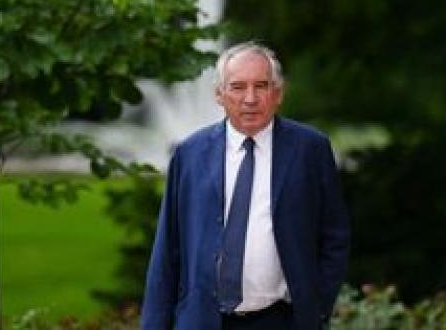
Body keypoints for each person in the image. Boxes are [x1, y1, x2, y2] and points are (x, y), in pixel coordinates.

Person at [140, 42, 350, 330]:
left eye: (261, 86)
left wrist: (316, 304)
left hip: (281, 320)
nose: (250, 98)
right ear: (219, 95)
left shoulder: (310, 150)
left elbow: (334, 236)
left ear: (278, 93)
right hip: (202, 321)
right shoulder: (189, 154)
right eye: (238, 87)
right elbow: (168, 250)